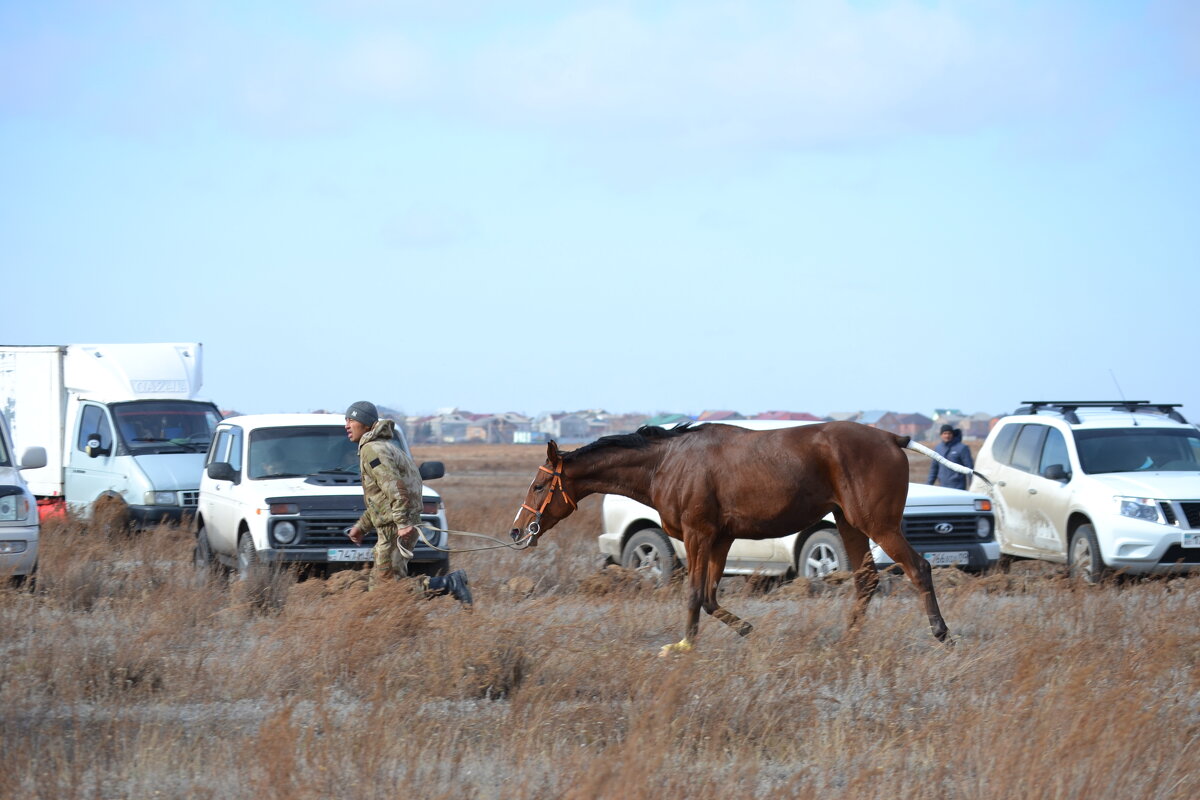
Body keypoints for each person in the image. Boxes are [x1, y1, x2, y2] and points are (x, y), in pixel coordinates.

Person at [344, 401, 472, 604]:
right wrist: (362, 527)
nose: (346, 425)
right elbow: (382, 499)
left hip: (394, 527)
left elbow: (394, 487)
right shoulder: (385, 447)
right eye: (346, 420)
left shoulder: (372, 450)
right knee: (384, 585)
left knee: (387, 589)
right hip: (395, 524)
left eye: (351, 420)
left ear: (366, 424)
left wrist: (402, 523)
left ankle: (448, 583)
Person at [927, 424, 974, 490]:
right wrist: (928, 485)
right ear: (941, 435)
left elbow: (970, 468)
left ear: (953, 434)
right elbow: (934, 469)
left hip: (958, 487)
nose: (947, 436)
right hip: (943, 486)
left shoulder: (962, 448)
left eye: (949, 433)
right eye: (945, 433)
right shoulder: (938, 448)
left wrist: (972, 486)